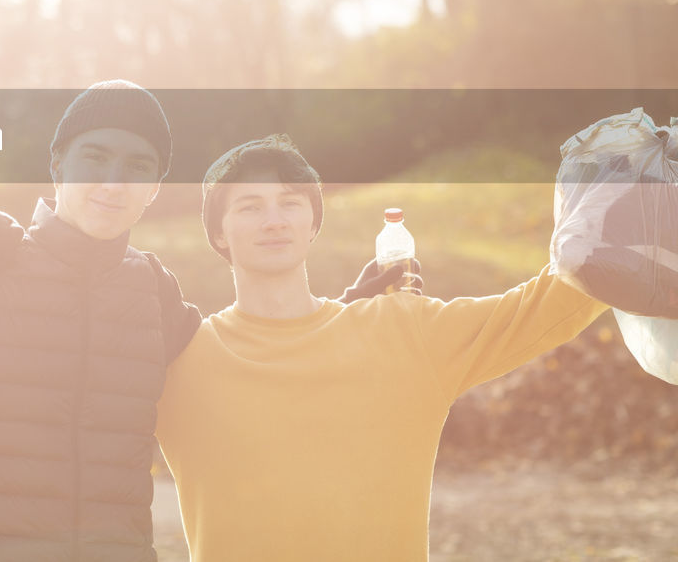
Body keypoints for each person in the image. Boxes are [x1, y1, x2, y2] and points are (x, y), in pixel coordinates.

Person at [0, 82, 404, 561]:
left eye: (138, 167)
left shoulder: (154, 293)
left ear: (152, 190)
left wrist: (348, 306)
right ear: (56, 166)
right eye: (95, 157)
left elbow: (255, 375)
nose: (113, 181)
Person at [154, 134, 610, 562]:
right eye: (250, 207)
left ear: (312, 223)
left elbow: (544, 306)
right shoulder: (180, 361)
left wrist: (633, 201)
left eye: (289, 203)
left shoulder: (401, 330)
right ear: (218, 234)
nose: (274, 220)